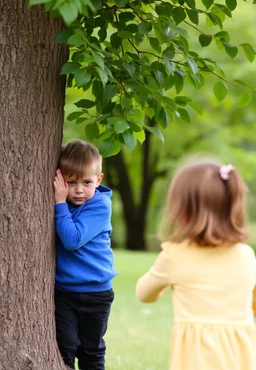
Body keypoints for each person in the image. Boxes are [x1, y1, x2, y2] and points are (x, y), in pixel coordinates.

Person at [136, 159, 256, 370]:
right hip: (239, 357)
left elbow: (144, 293)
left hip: (195, 359)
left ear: (183, 211)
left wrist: (160, 289)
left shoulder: (173, 255)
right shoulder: (246, 255)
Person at [53, 139, 118, 370]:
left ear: (98, 180)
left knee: (91, 350)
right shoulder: (64, 204)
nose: (79, 189)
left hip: (96, 293)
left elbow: (72, 240)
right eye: (71, 182)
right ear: (60, 179)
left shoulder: (99, 206)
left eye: (87, 182)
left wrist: (60, 202)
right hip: (64, 293)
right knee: (65, 346)